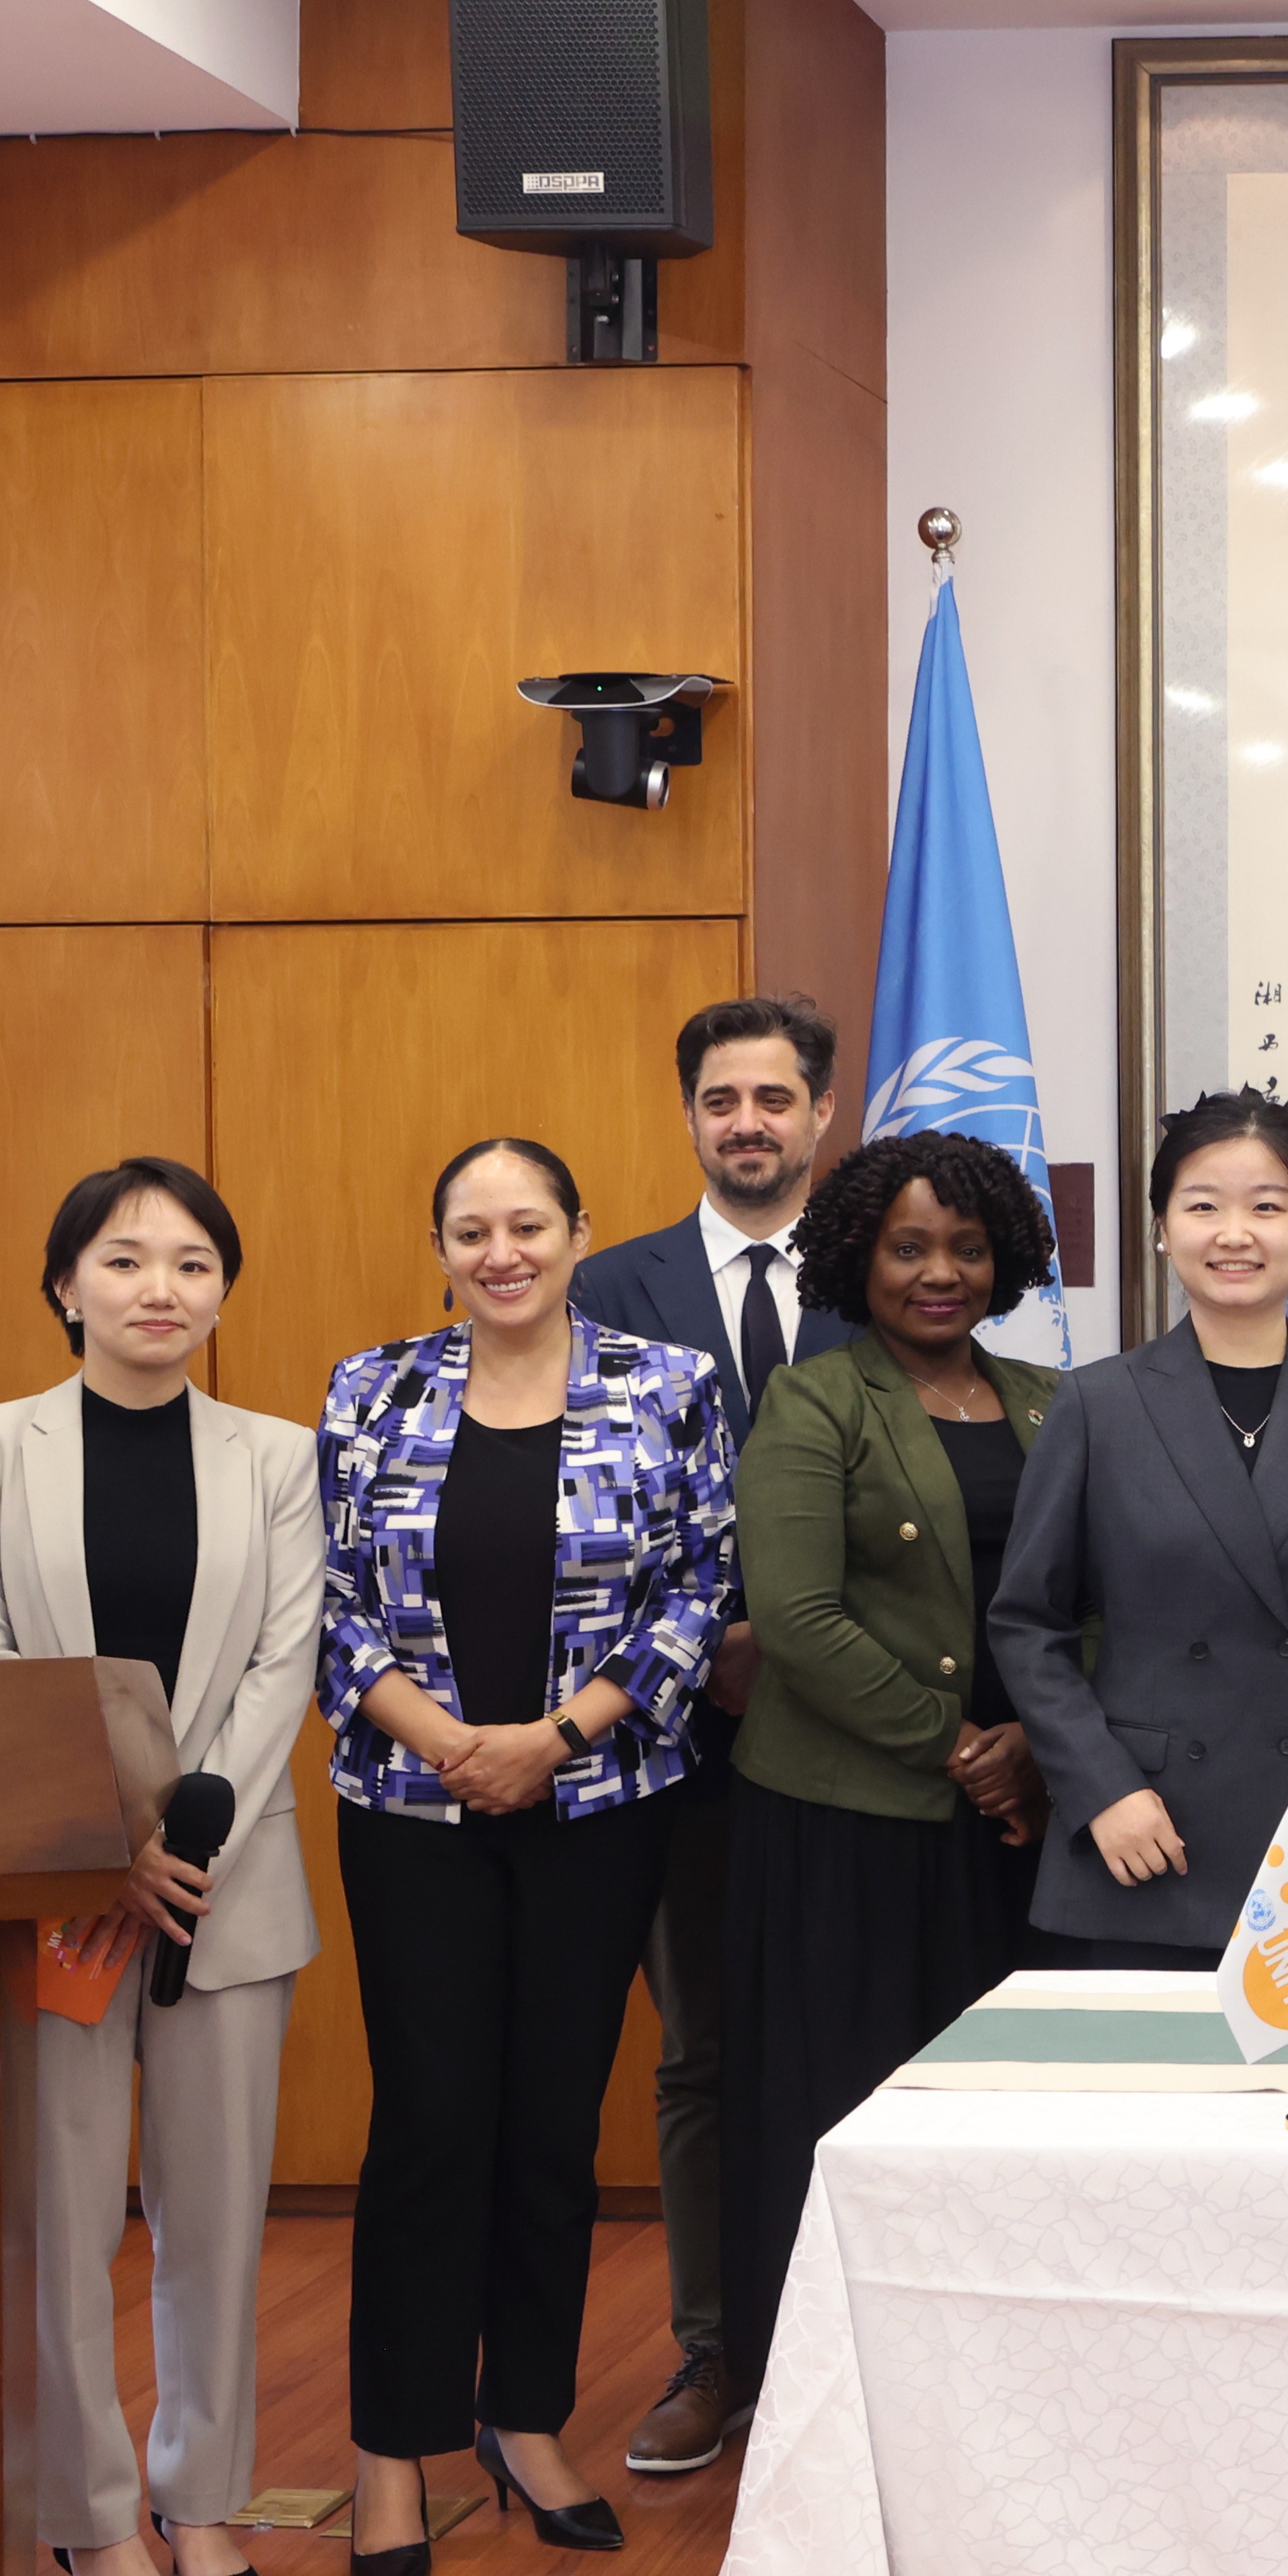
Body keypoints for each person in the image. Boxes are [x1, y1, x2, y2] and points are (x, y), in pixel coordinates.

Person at [319, 1138, 732, 2576]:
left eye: (528, 1225)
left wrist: (555, 1738)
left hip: (598, 1800)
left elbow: (700, 1588)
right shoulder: (371, 1391)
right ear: (440, 1247)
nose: (501, 1252)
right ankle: (394, 2446)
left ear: (577, 1233)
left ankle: (528, 2419)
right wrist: (452, 1743)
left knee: (555, 2121)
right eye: (471, 1230)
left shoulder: (668, 1387)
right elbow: (334, 1605)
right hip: (412, 1804)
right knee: (431, 2122)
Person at [0, 1158, 322, 2576]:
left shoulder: (279, 1456)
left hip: (228, 1882)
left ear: (222, 1291)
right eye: (127, 1258)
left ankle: (200, 2495)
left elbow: (284, 1664)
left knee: (214, 2217)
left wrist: (184, 1836)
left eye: (194, 1262)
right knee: (63, 2220)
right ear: (64, 1283)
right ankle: (88, 2517)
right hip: (61, 1890)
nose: (162, 1287)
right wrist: (107, 1847)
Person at [564, 996, 862, 2478]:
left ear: (822, 1114)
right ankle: (712, 2351)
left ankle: (848, 2348)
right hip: (670, 1739)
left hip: (853, 1730)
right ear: (688, 1114)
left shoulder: (889, 1270)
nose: (748, 1122)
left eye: (774, 1097)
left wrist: (798, 1649)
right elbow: (581, 1509)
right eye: (721, 1099)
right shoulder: (606, 1287)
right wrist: (703, 1652)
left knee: (849, 2039)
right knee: (699, 2053)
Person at [722, 1132, 1064, 2400]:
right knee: (844, 2119)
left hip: (1015, 1833)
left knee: (994, 2128)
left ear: (1004, 1258)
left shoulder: (1055, 1400)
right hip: (846, 1829)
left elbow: (1098, 1599)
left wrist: (1035, 1748)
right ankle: (818, 2396)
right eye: (908, 1246)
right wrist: (961, 1747)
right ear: (857, 1258)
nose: (939, 1272)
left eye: (966, 1248)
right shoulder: (813, 1400)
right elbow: (796, 1617)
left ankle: (988, 2395)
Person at [993, 1091, 1288, 1964]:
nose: (1235, 1233)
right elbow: (1026, 1622)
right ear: (1162, 1228)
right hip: (1145, 1833)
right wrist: (1100, 1787)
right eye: (1202, 1206)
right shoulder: (1096, 1403)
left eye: (1267, 1206)